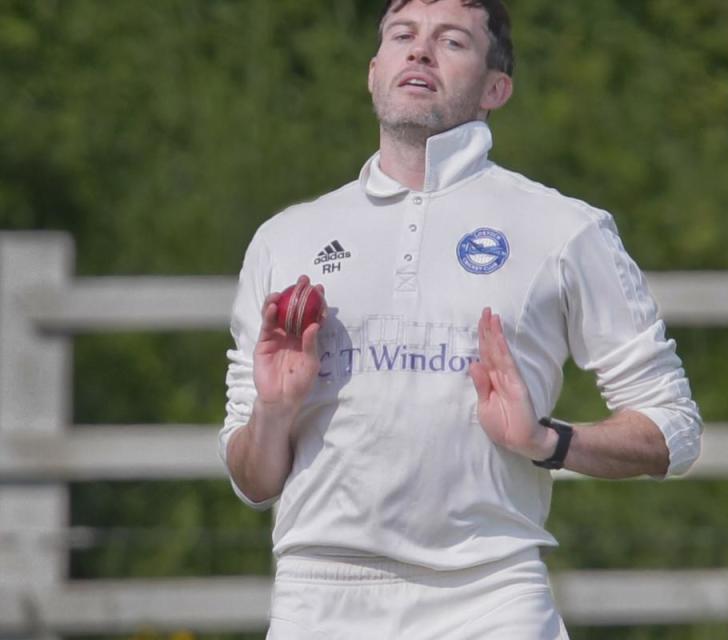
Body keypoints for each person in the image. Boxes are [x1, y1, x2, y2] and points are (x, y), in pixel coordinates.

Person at [218, 0, 702, 637]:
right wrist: (276, 412)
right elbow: (253, 483)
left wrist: (549, 442)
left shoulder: (566, 229)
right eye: (403, 35)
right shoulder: (287, 239)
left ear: (495, 87)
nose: (419, 51)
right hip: (319, 597)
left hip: (492, 597)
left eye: (452, 42)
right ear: (373, 70)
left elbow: (675, 430)